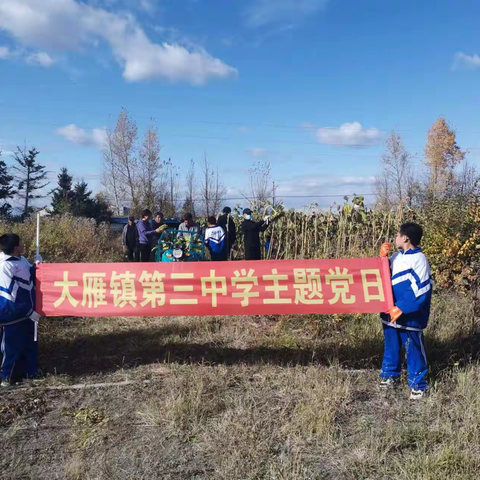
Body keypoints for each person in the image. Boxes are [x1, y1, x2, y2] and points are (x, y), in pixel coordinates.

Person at [379, 222, 432, 400]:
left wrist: (401, 307)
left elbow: (421, 289)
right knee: (391, 346)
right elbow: (384, 277)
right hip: (390, 312)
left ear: (406, 238)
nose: (395, 238)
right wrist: (382, 259)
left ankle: (418, 384)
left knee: (413, 348)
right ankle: (389, 375)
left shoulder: (419, 259)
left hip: (409, 315)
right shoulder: (396, 256)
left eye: (397, 235)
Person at [0, 234, 41, 386]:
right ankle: (6, 376)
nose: (23, 244)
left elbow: (30, 278)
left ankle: (30, 373)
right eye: (21, 242)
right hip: (12, 314)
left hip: (28, 312)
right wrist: (28, 311)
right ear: (16, 247)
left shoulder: (21, 260)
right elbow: (11, 294)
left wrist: (38, 267)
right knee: (12, 347)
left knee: (30, 344)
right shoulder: (4, 266)